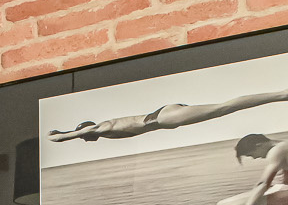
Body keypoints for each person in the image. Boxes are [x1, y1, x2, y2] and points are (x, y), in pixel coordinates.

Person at [49, 88, 288, 141]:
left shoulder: (102, 127)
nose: (85, 139)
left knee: (224, 108)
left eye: (83, 136)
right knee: (223, 108)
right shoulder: (105, 130)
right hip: (162, 117)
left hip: (161, 118)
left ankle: (281, 95)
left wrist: (62, 136)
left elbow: (88, 130)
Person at [208, 133, 288, 205]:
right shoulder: (282, 144)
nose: (254, 158)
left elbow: (264, 183)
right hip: (281, 189)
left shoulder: (275, 151)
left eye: (251, 154)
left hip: (284, 193)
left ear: (258, 145)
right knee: (220, 204)